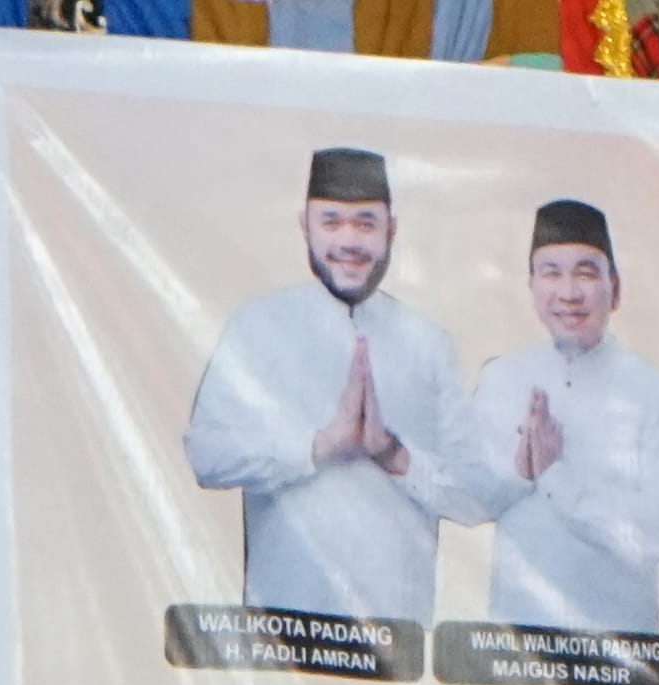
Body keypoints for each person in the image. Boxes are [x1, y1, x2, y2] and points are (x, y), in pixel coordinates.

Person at [180, 144, 496, 622]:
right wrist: (318, 446)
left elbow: (475, 497)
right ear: (304, 225)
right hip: (284, 626)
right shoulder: (258, 324)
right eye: (331, 221)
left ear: (392, 230)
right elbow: (206, 456)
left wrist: (393, 454)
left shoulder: (428, 343)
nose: (349, 240)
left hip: (399, 640)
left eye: (365, 223)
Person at [461, 198, 659, 635]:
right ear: (531, 286)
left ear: (616, 288)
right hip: (517, 647)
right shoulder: (501, 379)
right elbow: (468, 503)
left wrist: (558, 479)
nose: (569, 293)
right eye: (551, 273)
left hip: (619, 651)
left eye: (585, 273)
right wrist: (519, 472)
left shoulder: (655, 392)